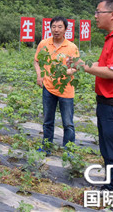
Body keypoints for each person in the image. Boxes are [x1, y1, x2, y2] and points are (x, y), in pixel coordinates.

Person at [71, 0, 113, 206]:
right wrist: (79, 65)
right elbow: (104, 64)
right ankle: (112, 187)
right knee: (108, 149)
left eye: (98, 12)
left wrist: (83, 66)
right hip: (107, 104)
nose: (95, 16)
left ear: (112, 14)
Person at [33, 16, 79, 156]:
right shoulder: (44, 44)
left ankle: (68, 151)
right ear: (50, 28)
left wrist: (66, 71)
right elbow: (36, 61)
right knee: (48, 120)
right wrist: (39, 75)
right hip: (48, 88)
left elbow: (76, 67)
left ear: (65, 29)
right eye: (54, 26)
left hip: (66, 90)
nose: (56, 29)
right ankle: (46, 148)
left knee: (68, 123)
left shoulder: (71, 47)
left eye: (60, 27)